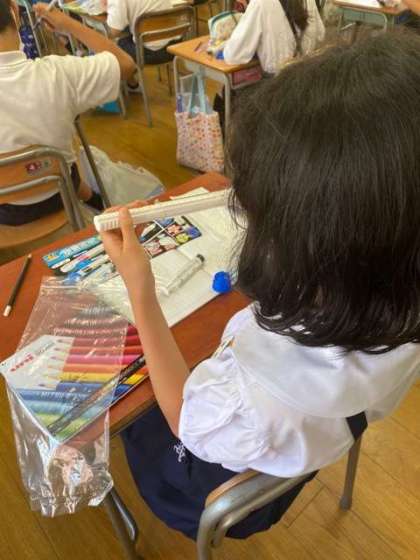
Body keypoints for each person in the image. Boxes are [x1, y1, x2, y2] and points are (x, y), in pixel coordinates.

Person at [100, 30, 420, 540]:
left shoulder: (255, 395)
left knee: (128, 410)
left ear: (321, 243)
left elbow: (184, 418)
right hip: (313, 439)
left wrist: (140, 287)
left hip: (218, 488)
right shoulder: (399, 298)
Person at [0, 0, 136, 226]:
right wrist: (69, 24)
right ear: (14, 11)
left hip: (5, 211)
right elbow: (126, 64)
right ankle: (92, 199)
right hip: (61, 193)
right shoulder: (58, 72)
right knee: (68, 148)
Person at [224, 0, 325, 75]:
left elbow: (233, 55)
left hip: (278, 85)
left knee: (228, 92)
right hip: (308, 79)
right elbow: (321, 34)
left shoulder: (259, 4)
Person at [105, 0, 174, 85]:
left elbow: (114, 32)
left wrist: (109, 11)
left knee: (116, 45)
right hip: (174, 48)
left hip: (148, 54)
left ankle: (132, 83)